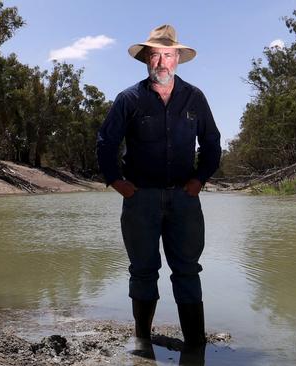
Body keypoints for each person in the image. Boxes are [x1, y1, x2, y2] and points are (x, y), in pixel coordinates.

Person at [96, 24, 221, 356]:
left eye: (168, 55)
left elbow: (212, 143)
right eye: (155, 55)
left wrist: (199, 180)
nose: (162, 62)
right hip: (141, 200)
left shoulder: (194, 97)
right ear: (146, 60)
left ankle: (196, 344)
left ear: (177, 58)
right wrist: (118, 182)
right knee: (142, 270)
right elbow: (105, 143)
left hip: (185, 199)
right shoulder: (129, 99)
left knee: (187, 269)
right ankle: (142, 341)